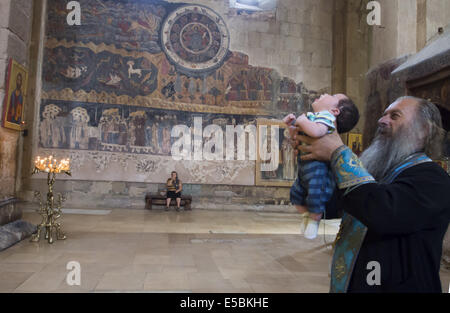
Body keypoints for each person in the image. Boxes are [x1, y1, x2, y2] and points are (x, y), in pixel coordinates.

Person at [291, 96, 450, 293]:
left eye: (395, 116)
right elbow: (333, 205)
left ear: (423, 130)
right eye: (383, 115)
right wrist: (310, 163)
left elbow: (382, 212)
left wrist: (338, 153)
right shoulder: (379, 172)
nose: (381, 120)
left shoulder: (433, 179)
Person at [283, 94, 359, 239]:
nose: (324, 94)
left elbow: (315, 131)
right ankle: (306, 215)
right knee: (296, 194)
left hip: (318, 170)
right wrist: (292, 126)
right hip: (305, 169)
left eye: (332, 96)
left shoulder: (326, 119)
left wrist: (301, 120)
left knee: (316, 195)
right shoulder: (314, 118)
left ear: (335, 111)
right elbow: (296, 138)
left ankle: (314, 220)